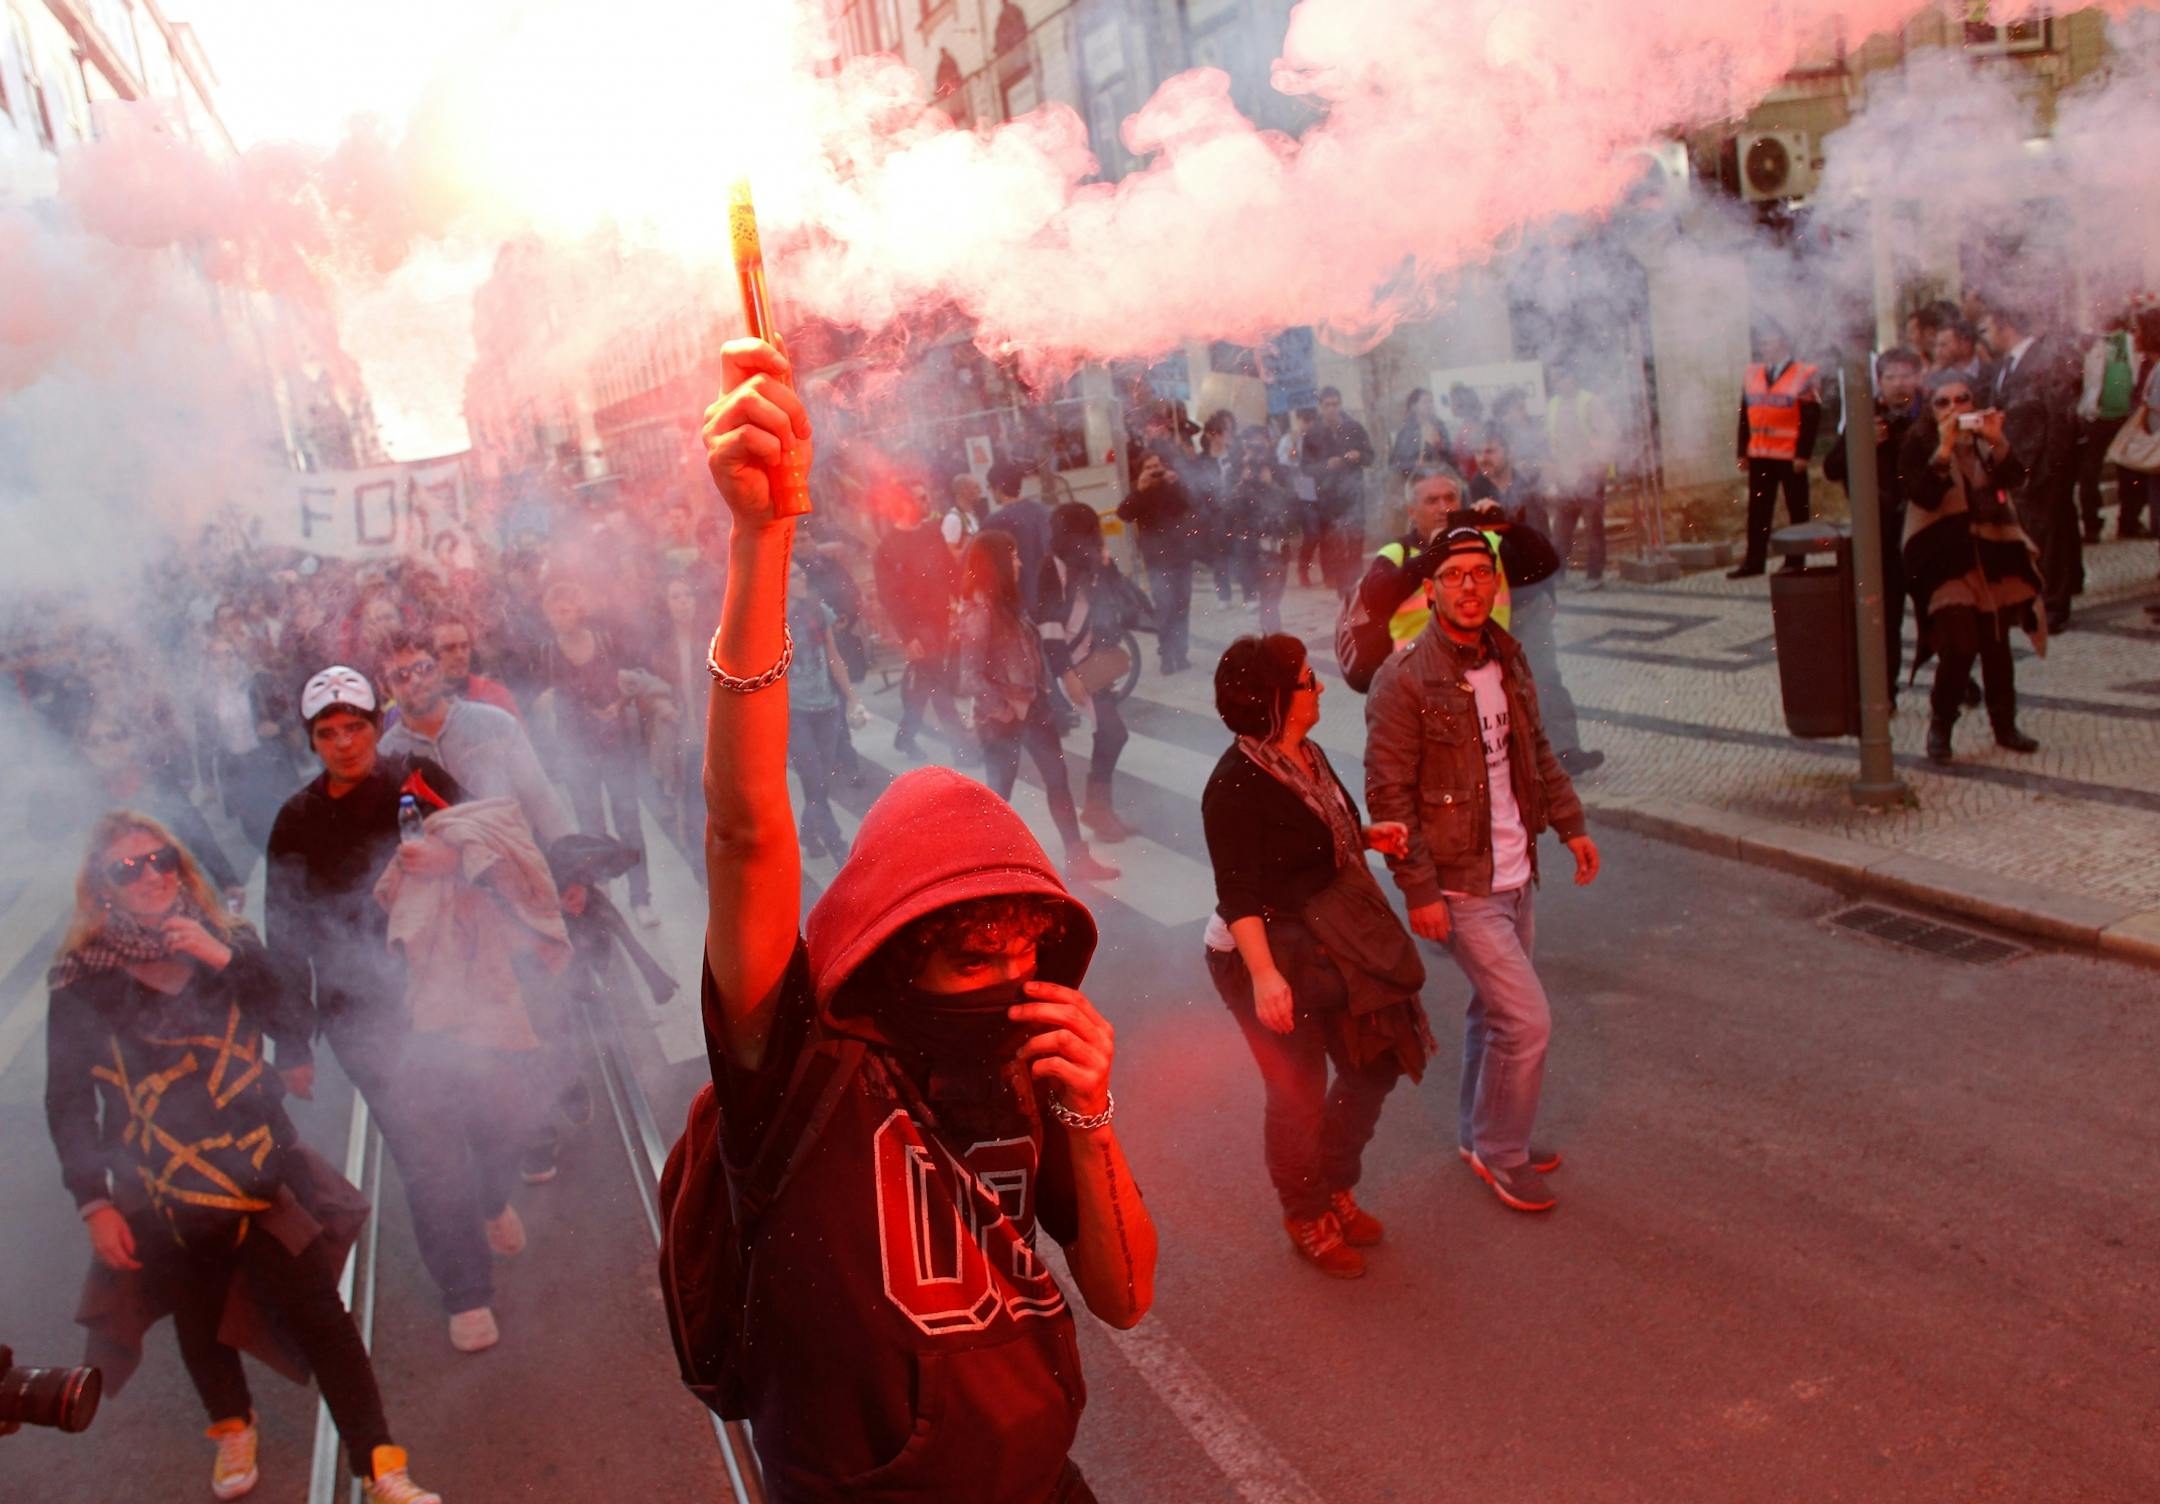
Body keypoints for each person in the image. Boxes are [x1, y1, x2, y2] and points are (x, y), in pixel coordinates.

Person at [688, 336, 1156, 1502]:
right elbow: (747, 835)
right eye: (968, 954)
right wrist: (761, 544)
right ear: (899, 955)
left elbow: (1125, 1295)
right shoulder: (800, 1067)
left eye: (1023, 947)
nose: (1006, 978)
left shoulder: (1030, 1062)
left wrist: (1089, 1113)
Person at [44, 813, 444, 1504]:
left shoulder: (229, 945)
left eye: (159, 858)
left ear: (180, 865)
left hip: (260, 1170)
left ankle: (379, 1463)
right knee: (198, 1316)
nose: (149, 875)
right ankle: (231, 1424)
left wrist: (219, 955)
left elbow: (295, 1025)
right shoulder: (84, 980)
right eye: (127, 868)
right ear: (101, 889)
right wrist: (94, 1201)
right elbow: (68, 1099)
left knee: (322, 1315)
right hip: (163, 1185)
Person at [265, 667, 527, 1353]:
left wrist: (451, 863)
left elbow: (490, 840)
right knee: (429, 1153)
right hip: (363, 1013)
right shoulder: (296, 819)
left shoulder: (416, 776)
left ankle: (493, 1196)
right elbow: (284, 930)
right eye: (328, 732)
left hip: (452, 986)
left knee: (499, 1115)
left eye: (355, 727)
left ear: (376, 725)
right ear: (313, 740)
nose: (345, 743)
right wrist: (291, 1042)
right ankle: (466, 1292)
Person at [1364, 526, 1600, 1215]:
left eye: (1481, 574)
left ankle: (1480, 1135)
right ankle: (1502, 1153)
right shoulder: (1405, 677)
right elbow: (1388, 797)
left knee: (1492, 1011)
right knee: (1526, 1021)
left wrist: (1572, 825)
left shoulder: (1507, 657)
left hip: (1516, 870)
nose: (1470, 588)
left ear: (1496, 585)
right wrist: (1419, 891)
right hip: (1460, 883)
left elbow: (1537, 754)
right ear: (1431, 590)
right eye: (1455, 576)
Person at [1200, 635, 1432, 1278]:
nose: (1320, 686)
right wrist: (1266, 977)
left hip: (1327, 937)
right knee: (1298, 1090)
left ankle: (1331, 1183)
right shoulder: (1235, 784)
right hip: (1260, 951)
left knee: (1375, 1061)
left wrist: (1362, 837)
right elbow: (1239, 889)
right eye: (1307, 681)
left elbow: (1307, 838)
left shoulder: (1305, 753)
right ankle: (1305, 1212)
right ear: (1276, 699)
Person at [956, 531, 1120, 884]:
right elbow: (968, 676)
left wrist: (1038, 697)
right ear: (997, 562)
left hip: (1034, 708)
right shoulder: (980, 610)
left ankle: (1077, 857)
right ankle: (985, 871)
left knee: (1058, 782)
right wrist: (1005, 709)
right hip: (1002, 719)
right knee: (1000, 794)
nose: (1017, 562)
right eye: (1011, 556)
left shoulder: (1006, 604)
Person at [1900, 371, 2046, 764]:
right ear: (1930, 410)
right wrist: (1945, 450)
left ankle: (2005, 725)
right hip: (1945, 562)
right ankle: (1941, 725)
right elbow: (1923, 495)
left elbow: (2016, 479)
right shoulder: (1918, 445)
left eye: (1961, 399)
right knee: (1960, 644)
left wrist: (1997, 438)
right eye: (1942, 402)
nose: (1953, 408)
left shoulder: (1984, 442)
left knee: (1997, 646)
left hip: (1990, 554)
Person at [1468, 433, 1603, 776]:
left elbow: (1541, 542)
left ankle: (1566, 750)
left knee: (1546, 675)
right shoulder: (1472, 492)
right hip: (1492, 607)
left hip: (1530, 600)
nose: (1485, 457)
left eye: (1491, 449)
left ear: (1508, 452)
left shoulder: (1527, 486)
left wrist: (1549, 593)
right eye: (1480, 450)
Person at [536, 578, 658, 927]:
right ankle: (603, 896)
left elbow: (625, 681)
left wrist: (618, 703)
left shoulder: (603, 641)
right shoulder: (547, 652)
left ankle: (641, 897)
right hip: (578, 752)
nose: (562, 616)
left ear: (579, 610)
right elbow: (553, 698)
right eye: (555, 611)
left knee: (629, 822)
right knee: (591, 827)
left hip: (614, 744)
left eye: (567, 609)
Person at [1360, 465, 1560, 656]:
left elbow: (1547, 563)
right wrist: (1432, 555)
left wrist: (1508, 526)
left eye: (1450, 498)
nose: (1444, 508)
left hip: (1485, 665)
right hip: (1420, 674)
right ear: (1411, 511)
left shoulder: (1487, 542)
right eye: (1432, 501)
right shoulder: (1397, 552)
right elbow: (1374, 601)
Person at [1981, 300, 2083, 634]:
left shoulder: (2045, 362)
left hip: (2041, 465)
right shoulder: (2004, 366)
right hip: (2014, 462)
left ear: (2003, 325)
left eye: (1989, 328)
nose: (1987, 336)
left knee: (2049, 539)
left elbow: (2059, 419)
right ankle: (2028, 601)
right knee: (2025, 536)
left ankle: (2053, 606)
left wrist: (2051, 467)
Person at [1825, 348, 1925, 689]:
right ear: (1879, 382)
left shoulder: (1931, 412)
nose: (1899, 384)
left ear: (1919, 377)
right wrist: (1861, 442)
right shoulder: (1865, 416)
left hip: (1926, 529)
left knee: (1939, 613)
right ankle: (1888, 688)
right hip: (1883, 533)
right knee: (1889, 615)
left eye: (1906, 375)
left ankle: (1958, 684)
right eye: (1891, 377)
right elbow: (1831, 468)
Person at [1037, 502, 1134, 844]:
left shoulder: (1091, 561)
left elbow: (1117, 598)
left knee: (1110, 732)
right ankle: (1096, 807)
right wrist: (1066, 674)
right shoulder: (1053, 566)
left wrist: (1107, 567)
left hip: (1094, 661)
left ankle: (1100, 807)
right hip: (1073, 664)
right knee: (1113, 732)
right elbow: (1048, 624)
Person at [874, 486, 970, 761]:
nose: (928, 500)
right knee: (936, 682)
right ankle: (961, 746)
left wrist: (962, 600)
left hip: (941, 620)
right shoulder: (888, 546)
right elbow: (889, 598)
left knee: (925, 682)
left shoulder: (931, 532)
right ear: (903, 502)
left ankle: (905, 736)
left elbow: (950, 572)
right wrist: (908, 637)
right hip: (917, 628)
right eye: (920, 497)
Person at [784, 553, 862, 862]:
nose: (801, 579)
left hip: (827, 707)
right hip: (795, 712)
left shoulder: (818, 610)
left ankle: (807, 831)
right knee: (812, 776)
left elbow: (833, 656)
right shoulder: (769, 621)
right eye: (793, 576)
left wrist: (852, 697)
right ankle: (837, 845)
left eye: (802, 574)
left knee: (820, 780)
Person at [1729, 326, 1821, 579]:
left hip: (1790, 456)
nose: (1764, 348)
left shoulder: (1802, 374)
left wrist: (1803, 454)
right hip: (1760, 454)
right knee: (1758, 510)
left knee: (1797, 508)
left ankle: (1796, 559)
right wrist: (1742, 451)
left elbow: (1811, 417)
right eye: (1762, 344)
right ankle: (1754, 561)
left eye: (1768, 343)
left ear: (1783, 344)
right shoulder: (1753, 373)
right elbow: (1745, 415)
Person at [1116, 449, 1198, 675]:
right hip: (1156, 560)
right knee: (1165, 607)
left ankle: (1181, 653)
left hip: (1180, 555)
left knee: (1182, 606)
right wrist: (1139, 491)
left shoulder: (1172, 487)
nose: (1154, 472)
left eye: (1157, 467)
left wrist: (1177, 483)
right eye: (1148, 468)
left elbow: (1191, 504)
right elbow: (1123, 514)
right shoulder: (1141, 492)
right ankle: (1167, 654)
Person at [1542, 366, 1620, 589]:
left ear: (1572, 378)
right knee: (1561, 529)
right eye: (1553, 379)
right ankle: (1558, 574)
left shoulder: (1590, 402)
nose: (1556, 383)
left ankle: (1594, 576)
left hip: (1588, 475)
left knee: (1592, 526)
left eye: (1560, 377)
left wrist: (1597, 463)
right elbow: (1551, 440)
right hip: (1565, 476)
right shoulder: (1554, 405)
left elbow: (1609, 434)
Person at [1300, 386, 1375, 594]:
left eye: (1335, 404)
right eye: (1327, 405)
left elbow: (1371, 457)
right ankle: (1338, 584)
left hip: (1353, 495)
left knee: (1355, 538)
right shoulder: (1312, 434)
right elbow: (1305, 467)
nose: (1332, 409)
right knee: (1332, 541)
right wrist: (1325, 465)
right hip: (1328, 497)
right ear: (1320, 407)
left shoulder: (1355, 428)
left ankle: (1356, 583)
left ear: (1340, 405)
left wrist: (1358, 455)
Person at [1233, 425, 1301, 633]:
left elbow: (1291, 502)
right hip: (1256, 550)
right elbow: (1229, 511)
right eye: (1251, 445)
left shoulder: (1277, 469)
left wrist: (1270, 484)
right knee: (1269, 601)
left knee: (1274, 599)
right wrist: (1244, 482)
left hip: (1279, 548)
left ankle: (1270, 637)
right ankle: (1273, 641)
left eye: (1260, 443)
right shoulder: (1237, 469)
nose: (1257, 450)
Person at [979, 457, 1052, 599]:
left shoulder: (994, 521)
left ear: (999, 487)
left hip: (1017, 599)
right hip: (1048, 596)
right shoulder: (1042, 511)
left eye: (990, 487)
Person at [429, 615, 521, 719]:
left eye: (464, 646)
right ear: (431, 655)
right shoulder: (424, 703)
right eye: (449, 649)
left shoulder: (495, 694)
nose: (460, 655)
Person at [1278, 406, 1323, 586]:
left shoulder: (1317, 439)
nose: (1308, 425)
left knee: (1313, 533)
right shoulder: (1288, 439)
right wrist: (1295, 444)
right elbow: (1286, 461)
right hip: (1291, 491)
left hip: (1309, 491)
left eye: (1311, 420)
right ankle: (1279, 572)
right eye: (1305, 420)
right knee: (1286, 535)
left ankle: (1303, 568)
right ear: (1298, 420)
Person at [1388, 389, 1452, 480]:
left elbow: (1450, 454)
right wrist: (1415, 464)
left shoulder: (1439, 426)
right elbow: (1395, 463)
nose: (1430, 405)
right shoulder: (1407, 431)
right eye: (1425, 402)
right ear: (1414, 406)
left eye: (1431, 401)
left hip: (1441, 477)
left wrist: (1441, 446)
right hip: (1417, 480)